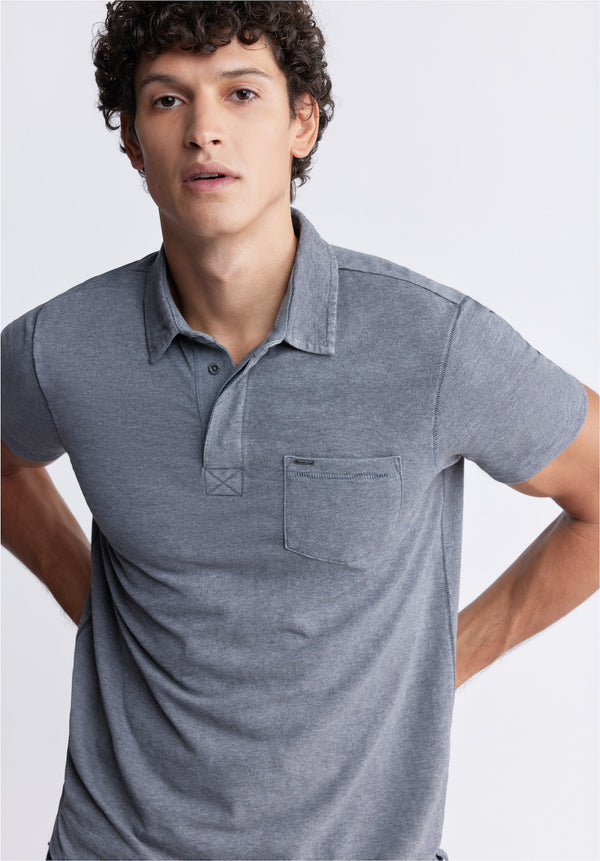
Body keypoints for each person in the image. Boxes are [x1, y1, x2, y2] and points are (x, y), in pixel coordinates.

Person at [1, 2, 597, 859]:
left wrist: (446, 657)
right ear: (132, 141)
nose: (204, 130)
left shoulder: (432, 344)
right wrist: (95, 602)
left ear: (302, 123)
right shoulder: (61, 346)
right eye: (167, 99)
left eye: (241, 93)